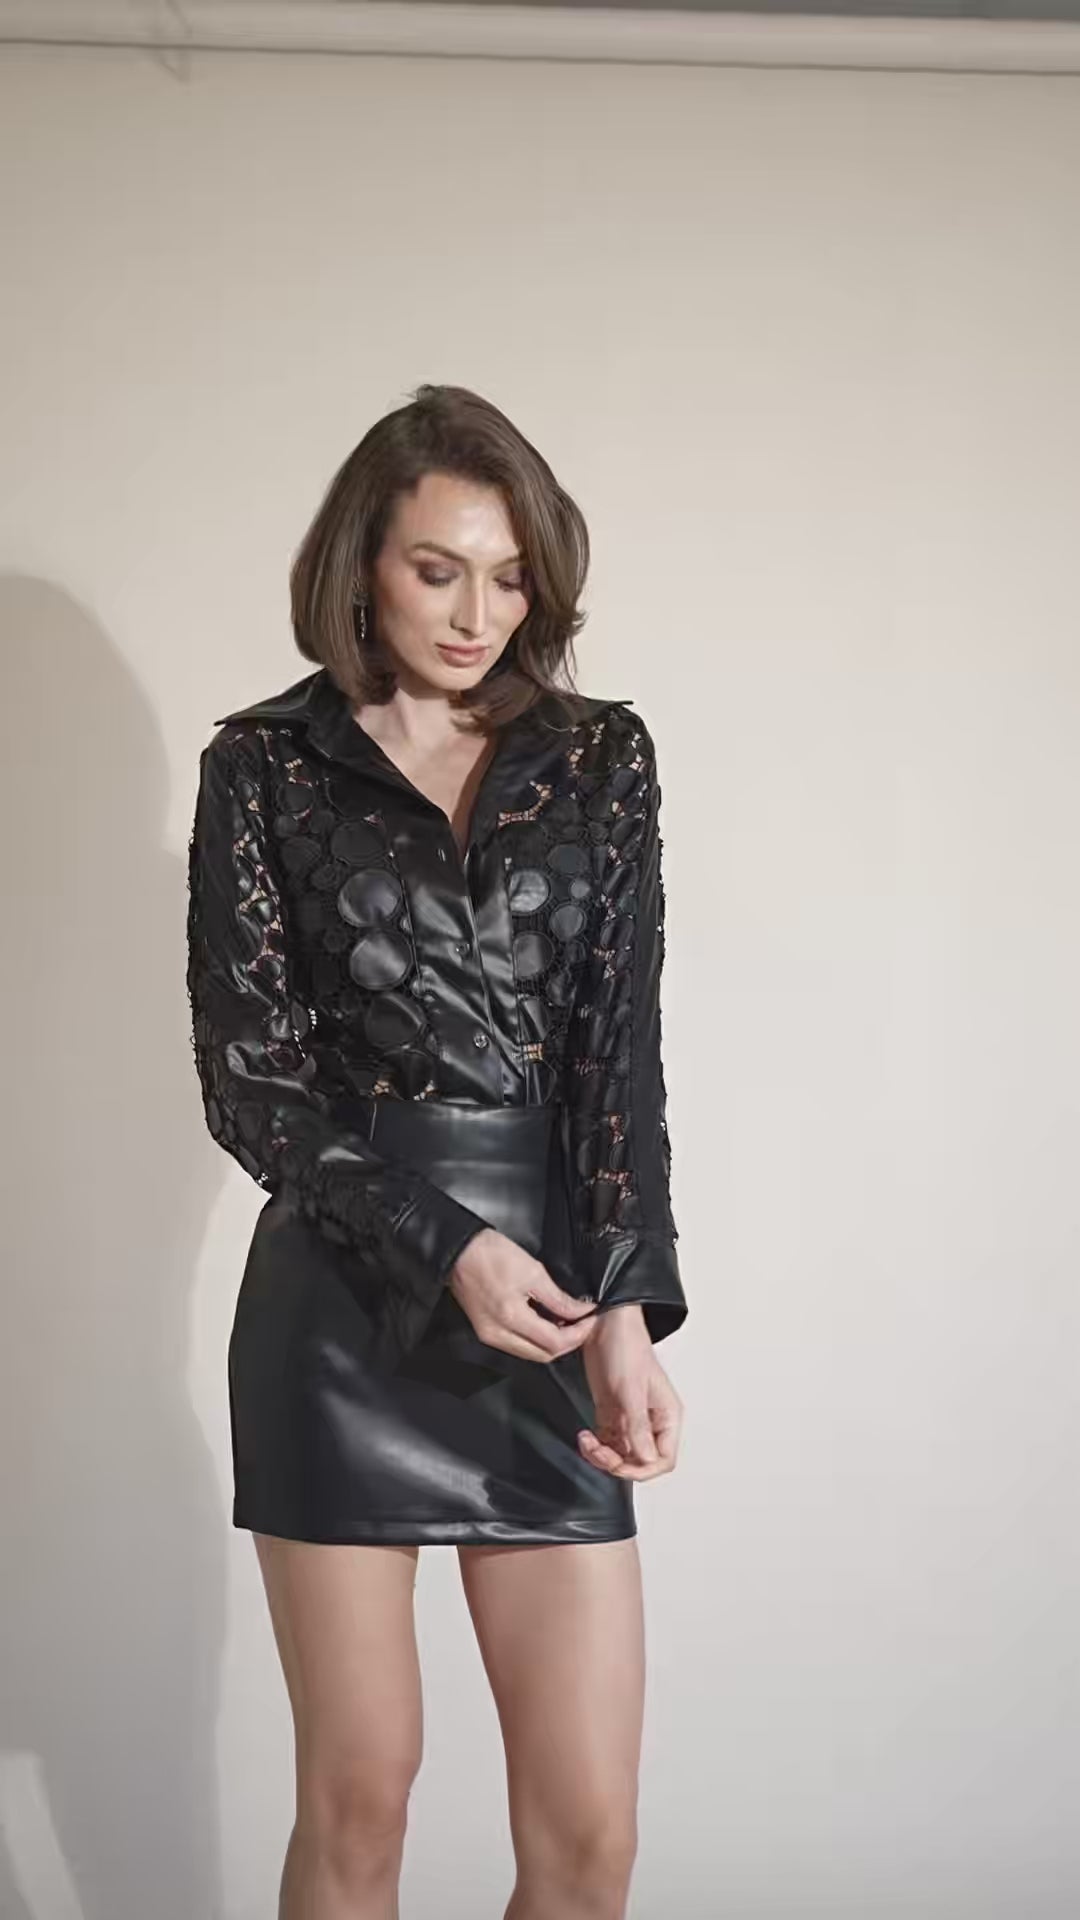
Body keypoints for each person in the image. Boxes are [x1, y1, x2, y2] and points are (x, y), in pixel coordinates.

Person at [186, 382, 688, 1920]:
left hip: (549, 1309)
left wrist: (624, 1313)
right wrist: (443, 1245)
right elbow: (254, 1087)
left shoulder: (599, 761)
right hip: (341, 1312)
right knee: (361, 1802)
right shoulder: (266, 767)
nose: (478, 614)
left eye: (511, 576)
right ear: (364, 564)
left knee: (590, 1839)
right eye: (437, 570)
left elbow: (615, 1061)